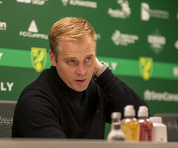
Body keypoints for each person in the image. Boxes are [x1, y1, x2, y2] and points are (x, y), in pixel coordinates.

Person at [12, 17, 149, 139]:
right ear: (53, 58)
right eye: (72, 61)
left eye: (88, 59)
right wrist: (88, 60)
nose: (82, 71)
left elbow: (141, 116)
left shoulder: (95, 88)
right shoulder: (35, 101)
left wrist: (101, 72)